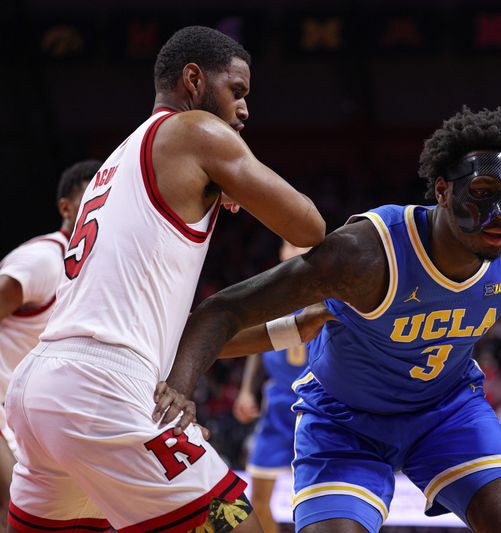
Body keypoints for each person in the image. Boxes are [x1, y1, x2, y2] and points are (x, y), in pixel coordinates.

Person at [158, 107, 501, 533]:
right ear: (443, 190)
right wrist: (180, 389)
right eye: (484, 195)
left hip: (446, 414)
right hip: (345, 423)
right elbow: (224, 309)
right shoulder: (365, 254)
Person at [5, 26, 325, 533]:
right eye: (236, 92)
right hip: (101, 389)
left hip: (40, 391)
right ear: (194, 80)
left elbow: (176, 341)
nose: (244, 110)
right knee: (242, 526)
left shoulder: (120, 158)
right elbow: (309, 227)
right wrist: (232, 173)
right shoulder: (195, 131)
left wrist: (290, 328)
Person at [0, 159, 99, 517]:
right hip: (5, 404)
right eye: (90, 200)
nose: (99, 210)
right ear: (66, 208)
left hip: (39, 412)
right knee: (14, 502)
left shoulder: (95, 269)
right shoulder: (42, 259)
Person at [233, 241, 311, 533]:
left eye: (302, 246)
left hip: (317, 401)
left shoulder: (328, 287)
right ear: (280, 252)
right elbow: (257, 343)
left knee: (321, 495)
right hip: (278, 400)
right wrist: (245, 390)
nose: (295, 251)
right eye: (290, 245)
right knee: (257, 499)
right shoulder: (269, 292)